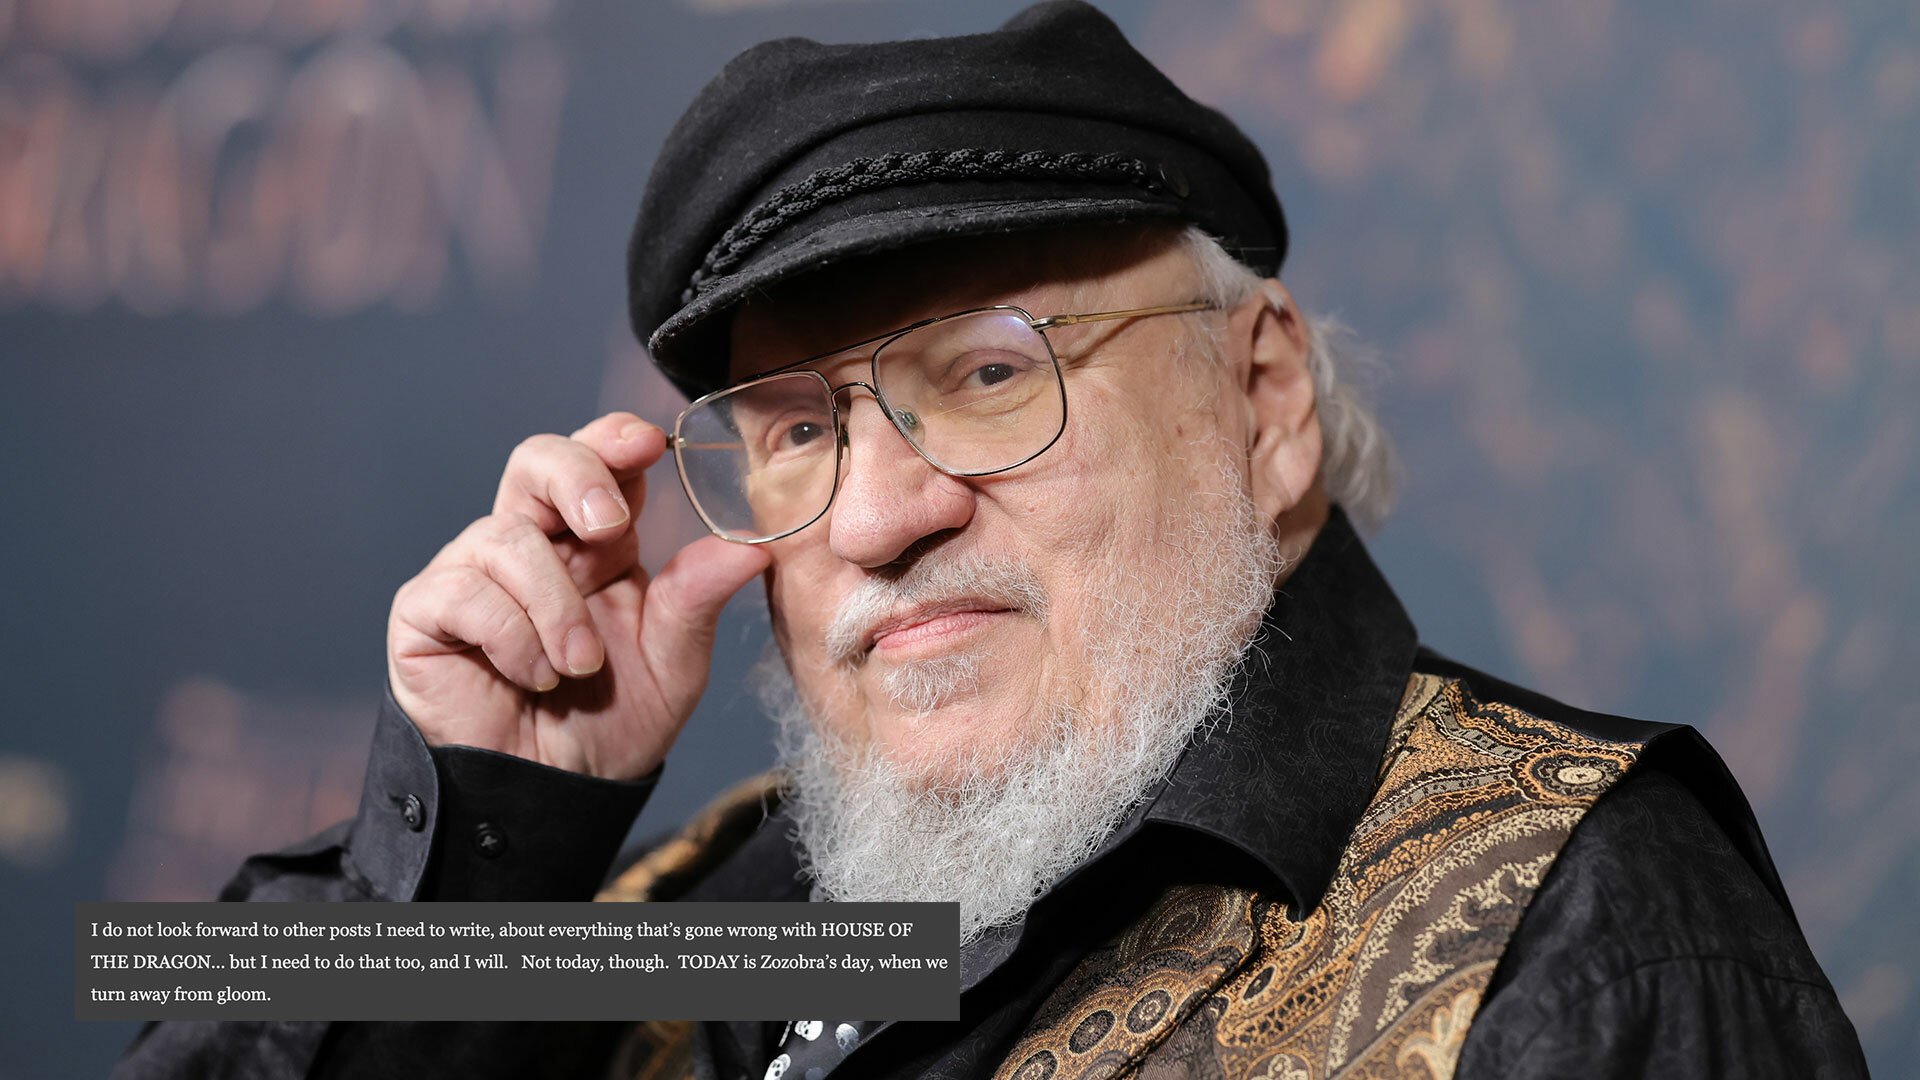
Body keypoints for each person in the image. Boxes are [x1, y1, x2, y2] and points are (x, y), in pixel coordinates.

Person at [117, 3, 1868, 1078]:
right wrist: (496, 839)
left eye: (985, 373)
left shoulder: (1581, 927)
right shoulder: (699, 909)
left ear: (1263, 407)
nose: (877, 515)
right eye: (799, 427)